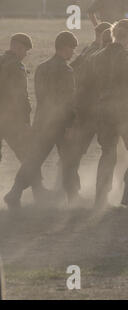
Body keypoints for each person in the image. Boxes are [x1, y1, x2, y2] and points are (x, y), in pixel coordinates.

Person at [4, 32, 79, 209]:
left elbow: (40, 96)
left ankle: (14, 192)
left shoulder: (42, 68)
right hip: (60, 123)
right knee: (69, 159)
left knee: (34, 159)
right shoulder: (66, 71)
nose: (73, 53)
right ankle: (73, 196)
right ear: (64, 47)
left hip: (42, 121)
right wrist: (70, 125)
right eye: (72, 49)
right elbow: (68, 101)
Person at [91, 19, 128, 209]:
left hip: (103, 111)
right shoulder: (127, 57)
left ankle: (100, 199)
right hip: (122, 113)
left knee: (108, 153)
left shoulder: (97, 56)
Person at [58, 24, 113, 206]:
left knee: (76, 152)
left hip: (86, 108)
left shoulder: (88, 50)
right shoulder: (100, 54)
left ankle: (70, 191)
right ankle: (76, 193)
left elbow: (73, 69)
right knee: (102, 150)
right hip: (92, 109)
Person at [0, 34, 53, 205]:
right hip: (11, 120)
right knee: (31, 155)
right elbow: (20, 96)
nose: (25, 54)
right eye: (24, 50)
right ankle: (28, 193)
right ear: (16, 46)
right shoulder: (16, 66)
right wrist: (24, 121)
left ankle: (37, 191)